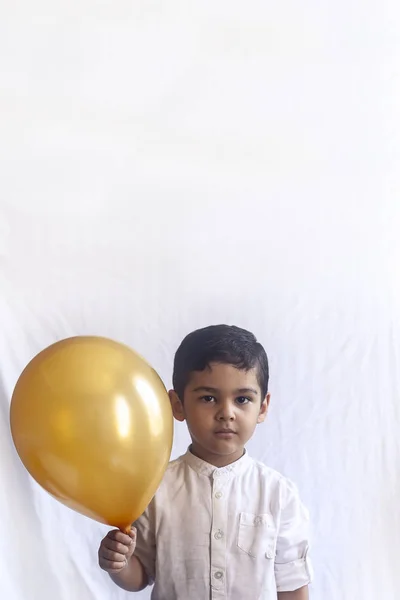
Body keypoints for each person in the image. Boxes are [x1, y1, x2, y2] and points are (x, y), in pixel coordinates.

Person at [98, 325, 312, 599]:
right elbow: (141, 575)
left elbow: (292, 586)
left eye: (242, 399)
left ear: (263, 407)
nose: (226, 413)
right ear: (177, 405)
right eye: (208, 398)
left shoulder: (279, 495)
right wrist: (119, 563)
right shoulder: (154, 488)